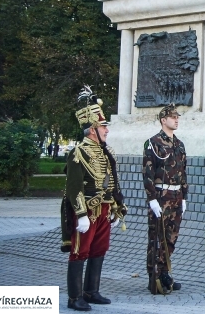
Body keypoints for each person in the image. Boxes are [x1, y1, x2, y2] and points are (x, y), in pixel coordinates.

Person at [62, 87, 127, 311]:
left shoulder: (106, 152)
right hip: (87, 211)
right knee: (80, 250)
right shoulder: (78, 152)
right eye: (103, 126)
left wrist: (117, 208)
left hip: (105, 210)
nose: (107, 130)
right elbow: (73, 188)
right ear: (92, 130)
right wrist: (80, 214)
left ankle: (91, 291)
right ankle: (74, 297)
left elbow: (113, 182)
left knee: (99, 249)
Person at [143, 103, 188, 294]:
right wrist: (151, 199)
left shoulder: (179, 144)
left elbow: (183, 173)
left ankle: (165, 273)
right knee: (157, 238)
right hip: (161, 197)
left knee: (171, 238)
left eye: (177, 117)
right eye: (173, 117)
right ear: (163, 120)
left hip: (176, 196)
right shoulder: (153, 143)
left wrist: (184, 196)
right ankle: (154, 277)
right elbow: (147, 173)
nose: (176, 120)